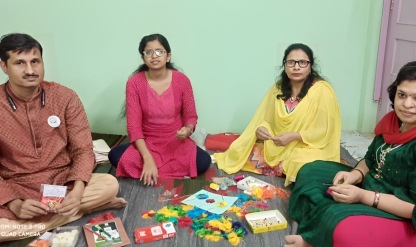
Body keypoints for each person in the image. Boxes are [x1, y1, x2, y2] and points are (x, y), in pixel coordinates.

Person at [284, 60, 416, 247]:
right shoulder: (394, 121)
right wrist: (355, 174)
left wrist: (363, 196)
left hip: (405, 213)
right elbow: (370, 159)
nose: (407, 104)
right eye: (402, 94)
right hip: (372, 185)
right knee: (312, 170)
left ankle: (317, 238)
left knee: (343, 227)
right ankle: (324, 229)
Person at [0, 33, 127, 242]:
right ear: (4, 66)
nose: (30, 70)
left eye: (35, 61)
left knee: (109, 184)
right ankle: (77, 213)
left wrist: (77, 192)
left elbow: (83, 149)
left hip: (62, 183)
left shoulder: (65, 96)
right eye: (20, 63)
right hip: (16, 186)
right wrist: (14, 203)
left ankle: (59, 214)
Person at [213, 43, 341, 186]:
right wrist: (262, 129)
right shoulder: (277, 89)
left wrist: (294, 136)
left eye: (303, 63)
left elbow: (324, 131)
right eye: (291, 62)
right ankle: (281, 168)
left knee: (300, 163)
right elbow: (266, 119)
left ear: (311, 66)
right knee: (239, 151)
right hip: (277, 145)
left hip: (308, 146)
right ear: (284, 66)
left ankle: (283, 168)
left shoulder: (322, 90)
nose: (296, 67)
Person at [108, 34, 211, 186]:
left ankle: (152, 171)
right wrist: (148, 159)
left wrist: (187, 130)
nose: (154, 56)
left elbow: (191, 116)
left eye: (159, 51)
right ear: (143, 58)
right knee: (115, 156)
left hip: (175, 143)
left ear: (168, 56)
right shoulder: (134, 83)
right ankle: (152, 168)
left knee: (203, 162)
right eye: (148, 52)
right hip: (146, 143)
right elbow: (134, 128)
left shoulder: (182, 80)